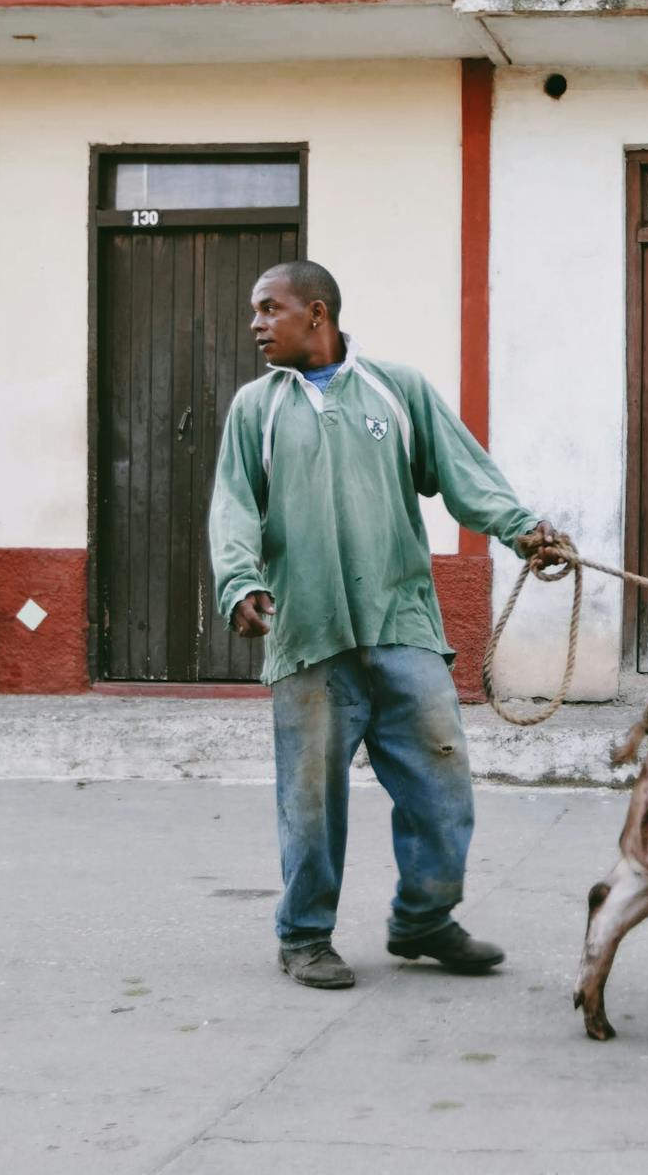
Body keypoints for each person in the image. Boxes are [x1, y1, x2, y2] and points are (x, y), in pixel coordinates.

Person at [208, 259, 559, 990]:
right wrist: (239, 580)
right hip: (309, 631)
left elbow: (464, 473)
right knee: (310, 802)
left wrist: (521, 528)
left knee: (442, 785)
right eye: (255, 311)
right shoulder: (257, 407)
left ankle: (423, 920)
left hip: (401, 623)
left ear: (317, 313)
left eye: (269, 309)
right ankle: (304, 937)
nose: (255, 325)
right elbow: (234, 505)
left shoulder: (396, 390)